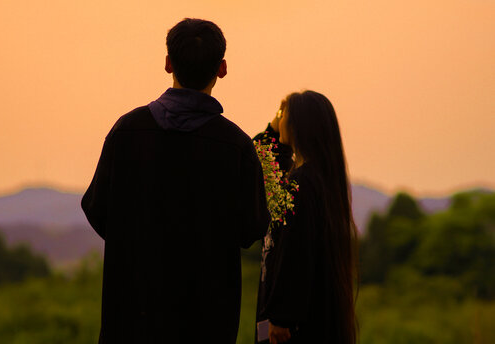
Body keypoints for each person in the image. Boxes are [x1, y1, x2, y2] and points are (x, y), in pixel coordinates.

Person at [82, 18, 270, 344]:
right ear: (222, 68)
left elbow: (97, 210)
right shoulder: (236, 147)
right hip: (207, 321)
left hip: (130, 318)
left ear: (168, 63)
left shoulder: (126, 132)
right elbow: (252, 229)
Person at [256, 91, 358, 344]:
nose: (280, 118)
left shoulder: (301, 184)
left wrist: (282, 317)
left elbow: (295, 250)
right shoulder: (315, 180)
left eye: (285, 114)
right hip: (301, 321)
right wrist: (272, 126)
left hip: (289, 329)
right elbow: (264, 160)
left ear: (299, 124)